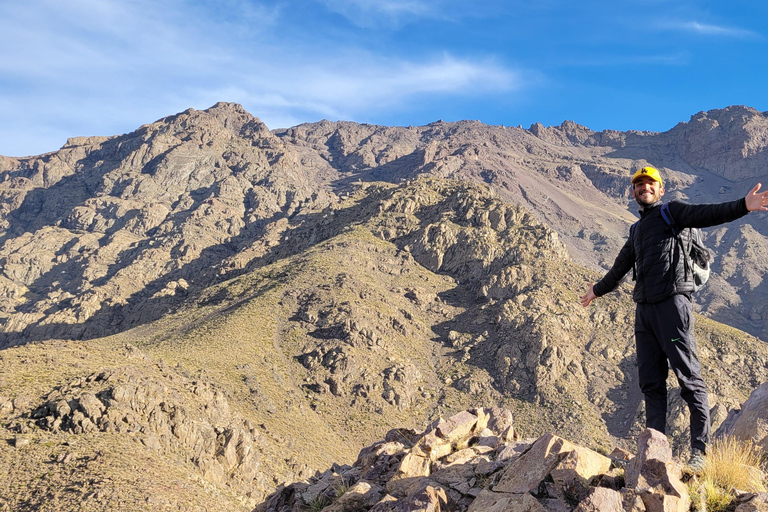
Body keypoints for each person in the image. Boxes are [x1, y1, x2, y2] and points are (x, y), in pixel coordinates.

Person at [580, 166, 768, 470]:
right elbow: (620, 266)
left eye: (650, 183)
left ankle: (699, 454)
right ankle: (655, 453)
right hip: (644, 312)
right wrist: (597, 291)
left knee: (688, 378)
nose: (644, 187)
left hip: (673, 305)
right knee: (651, 385)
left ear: (661, 188)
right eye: (639, 184)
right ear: (633, 192)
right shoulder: (637, 230)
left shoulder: (674, 212)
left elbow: (708, 214)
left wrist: (743, 206)